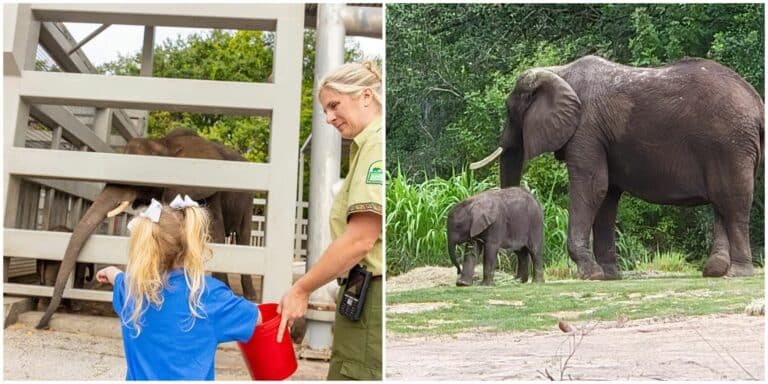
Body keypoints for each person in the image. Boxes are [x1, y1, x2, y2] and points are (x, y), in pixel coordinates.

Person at [277, 60, 383, 380]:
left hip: (372, 298)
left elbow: (360, 239)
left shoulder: (375, 147)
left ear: (365, 96)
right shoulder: (366, 145)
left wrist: (302, 288)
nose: (329, 117)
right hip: (361, 297)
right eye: (325, 109)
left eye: (334, 105)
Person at [96, 196, 261, 380]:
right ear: (190, 246)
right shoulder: (209, 296)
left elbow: (119, 278)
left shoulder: (129, 291)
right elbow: (257, 318)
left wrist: (112, 273)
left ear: (145, 247)